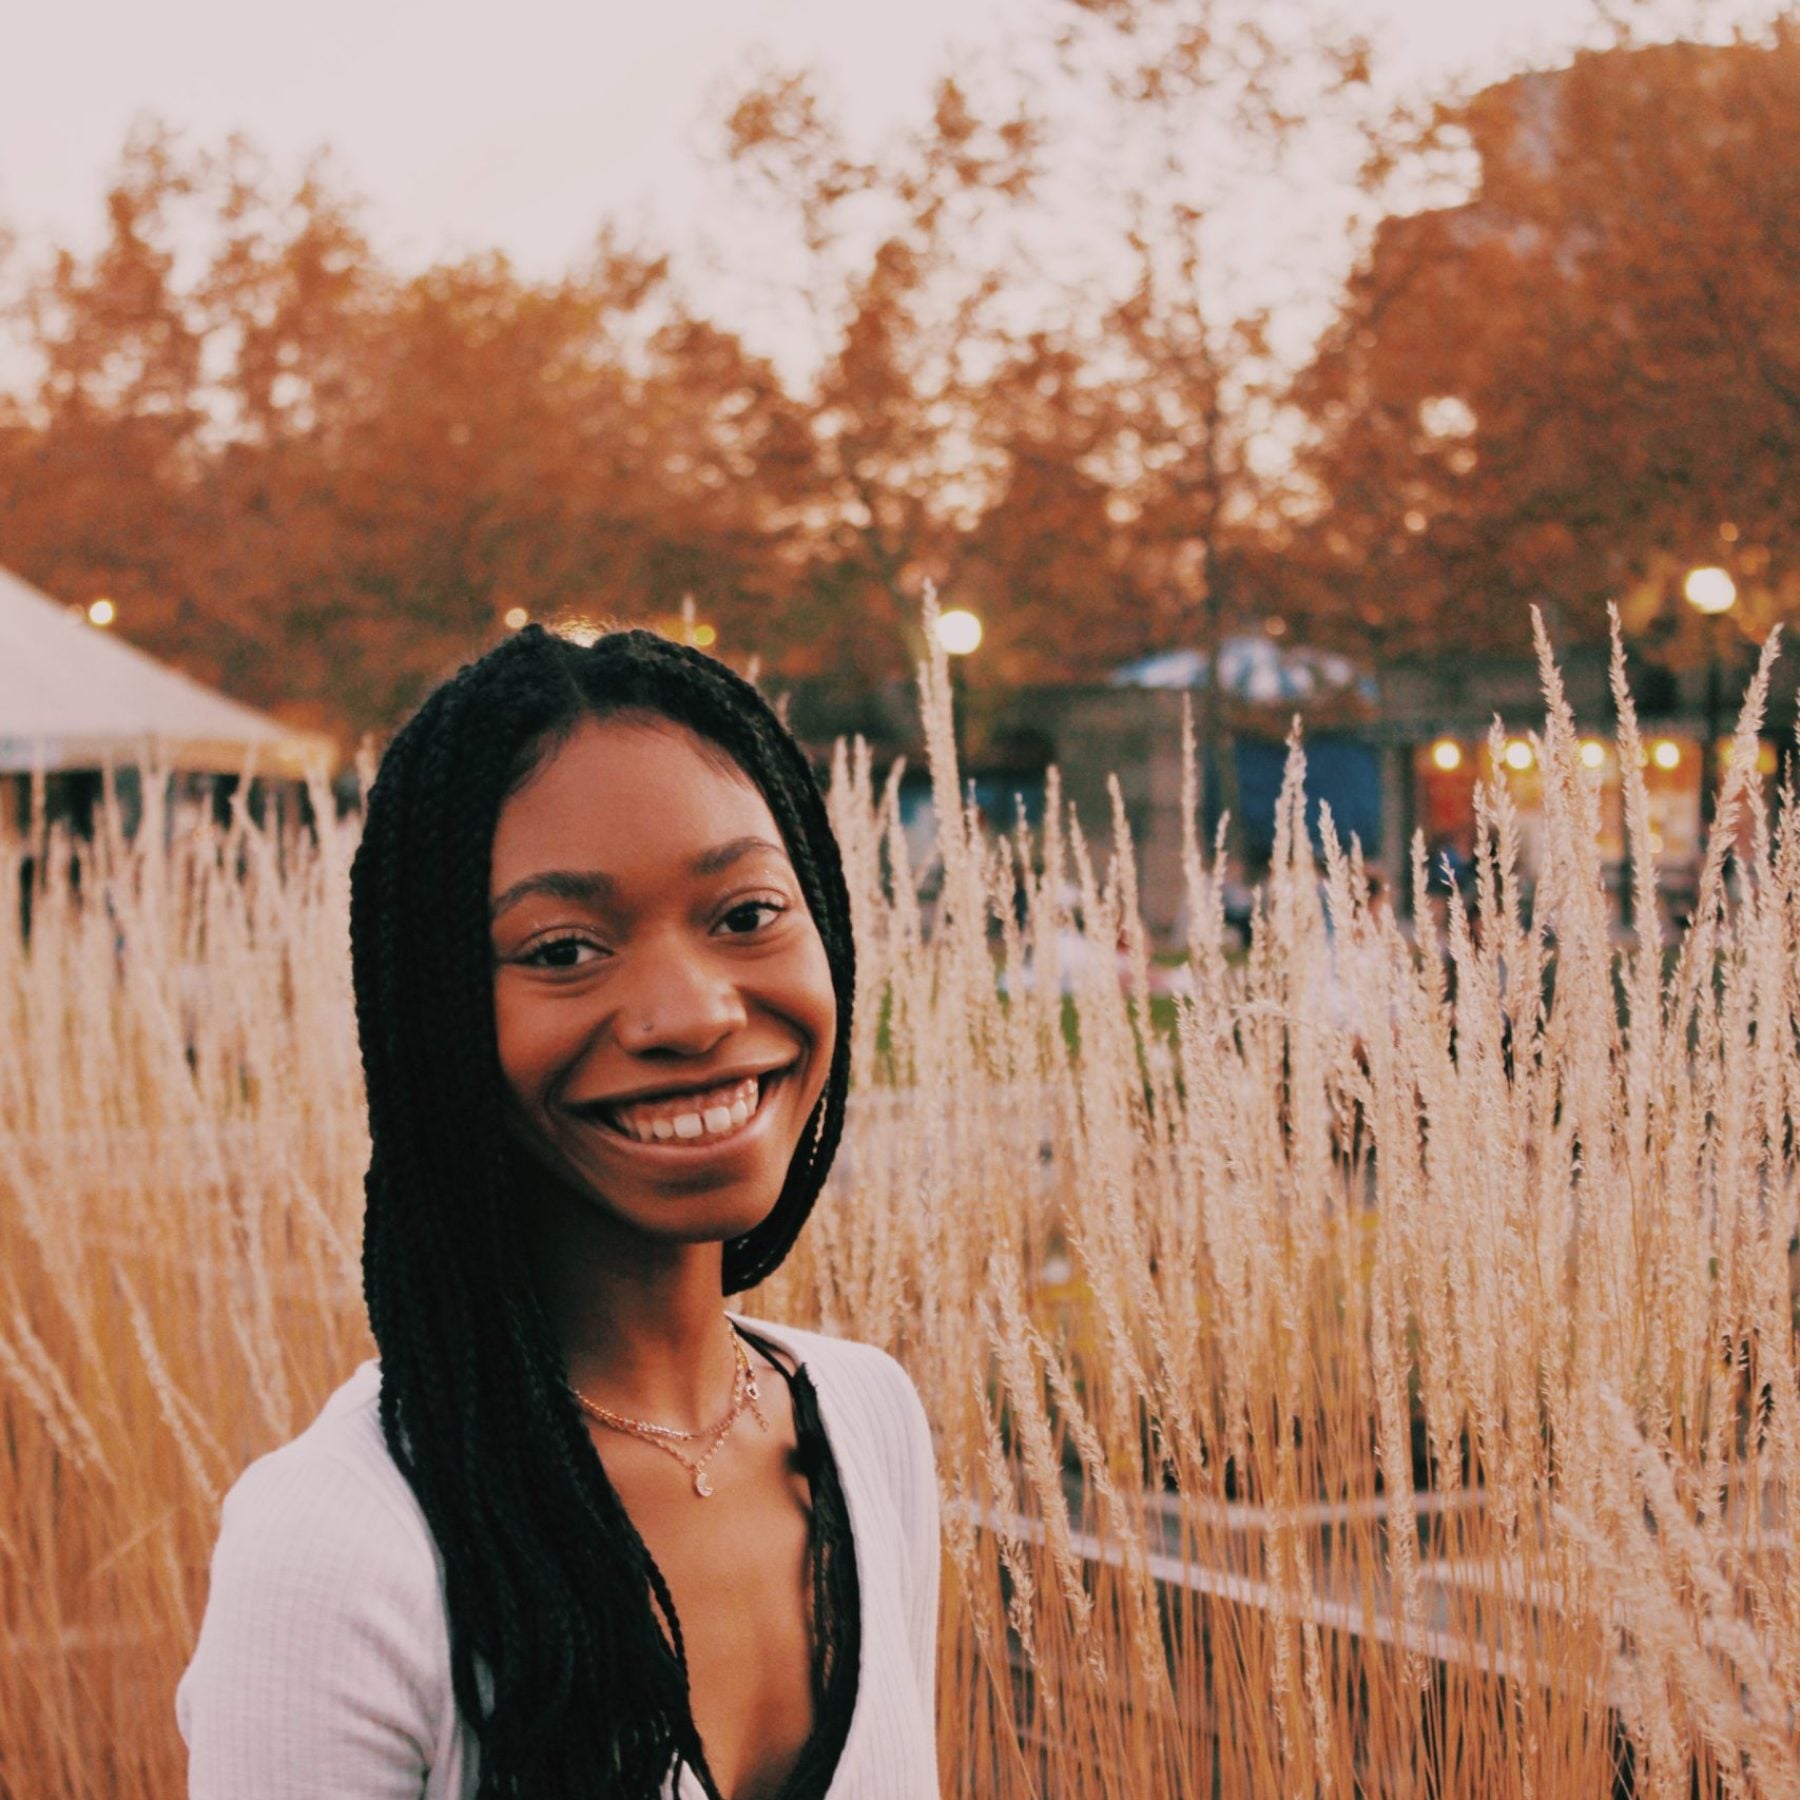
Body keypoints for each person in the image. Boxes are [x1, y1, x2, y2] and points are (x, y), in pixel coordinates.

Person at [176, 628, 941, 1799]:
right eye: (565, 949)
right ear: (436, 1017)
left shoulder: (866, 1423)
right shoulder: (342, 1547)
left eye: (745, 915)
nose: (690, 1014)